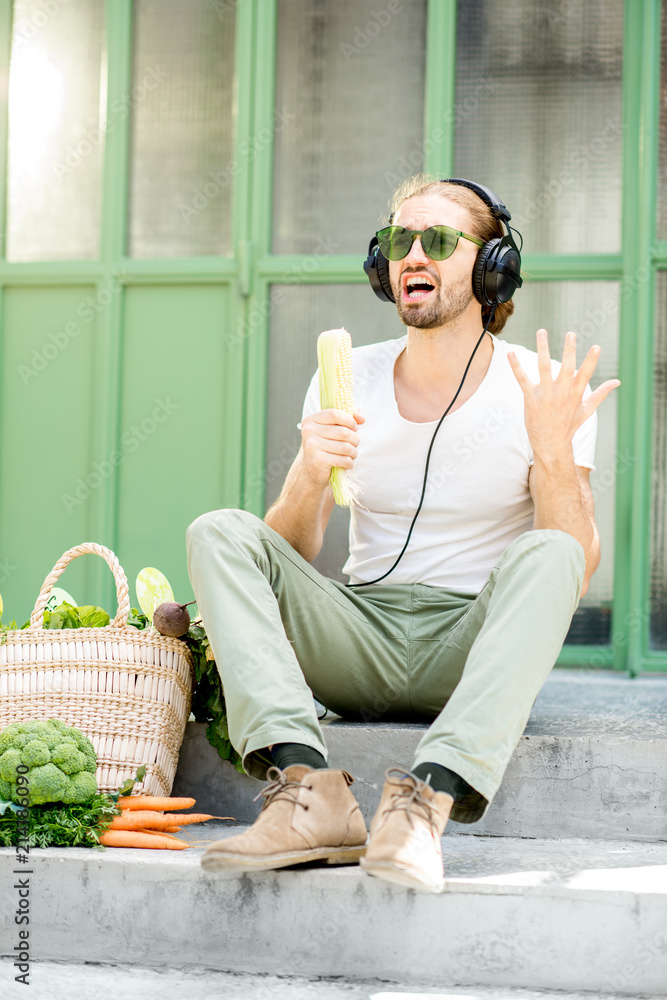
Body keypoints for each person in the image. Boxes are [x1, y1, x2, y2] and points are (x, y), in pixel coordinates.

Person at [186, 174, 620, 893]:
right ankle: (306, 790)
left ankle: (421, 807)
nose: (412, 253)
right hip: (355, 635)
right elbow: (289, 553)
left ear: (492, 268)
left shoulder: (543, 387)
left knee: (550, 549)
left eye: (439, 240)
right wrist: (306, 469)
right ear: (380, 266)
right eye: (397, 240)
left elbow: (568, 568)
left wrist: (551, 451)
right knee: (219, 531)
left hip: (471, 643)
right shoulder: (346, 378)